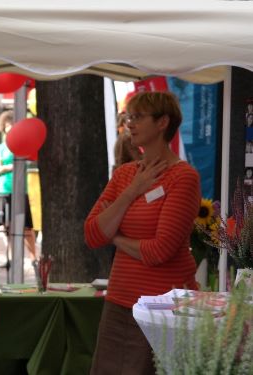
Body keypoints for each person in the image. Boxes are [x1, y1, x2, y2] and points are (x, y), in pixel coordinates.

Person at [84, 91, 200, 374]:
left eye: (137, 117)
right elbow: (91, 234)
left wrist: (115, 236)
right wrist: (132, 191)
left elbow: (159, 251)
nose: (130, 124)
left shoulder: (183, 177)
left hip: (165, 308)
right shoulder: (125, 175)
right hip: (120, 300)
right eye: (128, 117)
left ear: (162, 123)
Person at [0, 110, 36, 259]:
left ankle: (33, 258)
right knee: (7, 227)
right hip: (4, 190)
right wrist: (12, 166)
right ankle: (12, 258)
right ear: (3, 127)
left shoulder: (23, 145)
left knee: (26, 227)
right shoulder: (1, 147)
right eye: (7, 125)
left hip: (20, 190)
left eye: (13, 124)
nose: (10, 127)